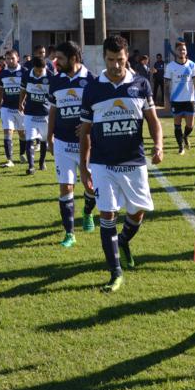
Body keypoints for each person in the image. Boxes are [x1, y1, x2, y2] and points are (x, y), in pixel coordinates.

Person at [78, 35, 164, 292]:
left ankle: (123, 240)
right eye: (111, 60)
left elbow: (153, 121)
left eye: (121, 60)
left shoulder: (141, 84)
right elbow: (85, 132)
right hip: (102, 163)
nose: (116, 65)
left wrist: (158, 145)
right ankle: (115, 272)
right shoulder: (92, 88)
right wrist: (84, 166)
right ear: (104, 58)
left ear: (128, 58)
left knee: (138, 212)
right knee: (107, 213)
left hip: (134, 160)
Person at [47, 41, 95, 247]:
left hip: (87, 144)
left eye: (60, 58)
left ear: (74, 58)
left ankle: (87, 212)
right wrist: (49, 136)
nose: (56, 62)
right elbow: (53, 110)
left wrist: (89, 126)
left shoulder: (91, 79)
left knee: (91, 186)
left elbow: (99, 110)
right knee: (66, 186)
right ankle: (69, 233)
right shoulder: (56, 81)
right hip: (62, 142)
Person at [165, 40, 195, 155]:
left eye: (184, 49)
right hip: (176, 100)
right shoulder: (170, 66)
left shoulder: (192, 65)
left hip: (190, 100)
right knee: (177, 125)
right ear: (176, 51)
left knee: (190, 125)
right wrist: (166, 101)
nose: (182, 51)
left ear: (186, 51)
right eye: (180, 49)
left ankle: (185, 137)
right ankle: (181, 147)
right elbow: (166, 85)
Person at [18, 54, 52, 175]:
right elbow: (23, 90)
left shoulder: (50, 76)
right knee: (30, 139)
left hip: (45, 114)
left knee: (44, 140)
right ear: (33, 67)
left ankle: (42, 162)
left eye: (40, 71)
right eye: (36, 71)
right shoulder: (27, 75)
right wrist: (21, 102)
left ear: (45, 68)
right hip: (30, 113)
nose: (38, 73)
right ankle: (31, 166)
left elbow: (54, 95)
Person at [0, 49, 27, 167]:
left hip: (21, 108)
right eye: (7, 58)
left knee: (22, 133)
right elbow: (0, 88)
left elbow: (28, 90)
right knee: (8, 131)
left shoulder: (24, 71)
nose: (10, 61)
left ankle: (22, 154)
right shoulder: (2, 73)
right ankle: (9, 160)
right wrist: (0, 102)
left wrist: (24, 103)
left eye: (12, 58)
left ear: (17, 58)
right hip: (7, 107)